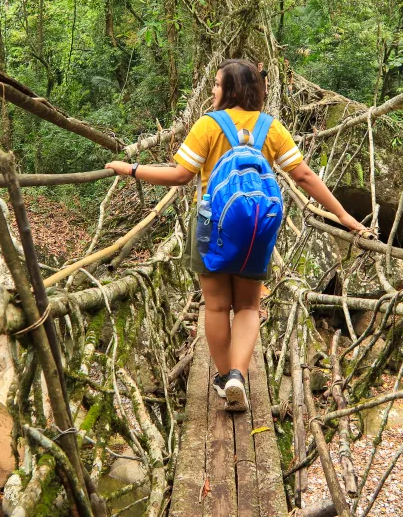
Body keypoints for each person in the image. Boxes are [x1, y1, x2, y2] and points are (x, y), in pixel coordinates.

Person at [106, 59, 365, 411]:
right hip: (257, 230)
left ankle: (223, 373)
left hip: (212, 225)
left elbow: (180, 175)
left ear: (229, 89)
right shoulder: (270, 128)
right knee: (247, 305)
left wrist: (131, 168)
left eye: (216, 84)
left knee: (215, 305)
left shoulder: (208, 126)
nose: (212, 90)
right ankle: (238, 377)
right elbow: (303, 176)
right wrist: (343, 215)